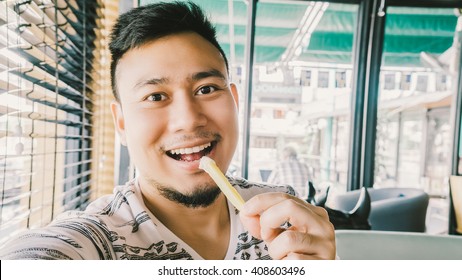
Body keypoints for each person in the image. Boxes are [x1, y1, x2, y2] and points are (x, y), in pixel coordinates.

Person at [0, 1, 335, 260]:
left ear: (234, 101)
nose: (188, 120)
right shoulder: (97, 240)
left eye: (206, 89)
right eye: (155, 96)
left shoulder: (285, 216)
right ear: (122, 124)